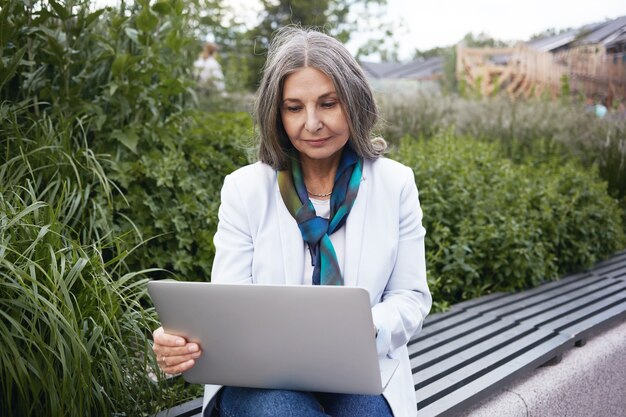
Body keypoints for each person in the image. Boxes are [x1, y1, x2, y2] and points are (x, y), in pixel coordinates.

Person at [153, 27, 432, 417]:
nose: (312, 123)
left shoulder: (394, 184)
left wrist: (362, 327)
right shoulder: (245, 189)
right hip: (258, 378)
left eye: (328, 103)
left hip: (360, 370)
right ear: (276, 113)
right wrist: (180, 340)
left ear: (355, 102)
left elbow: (411, 298)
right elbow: (228, 304)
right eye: (294, 107)